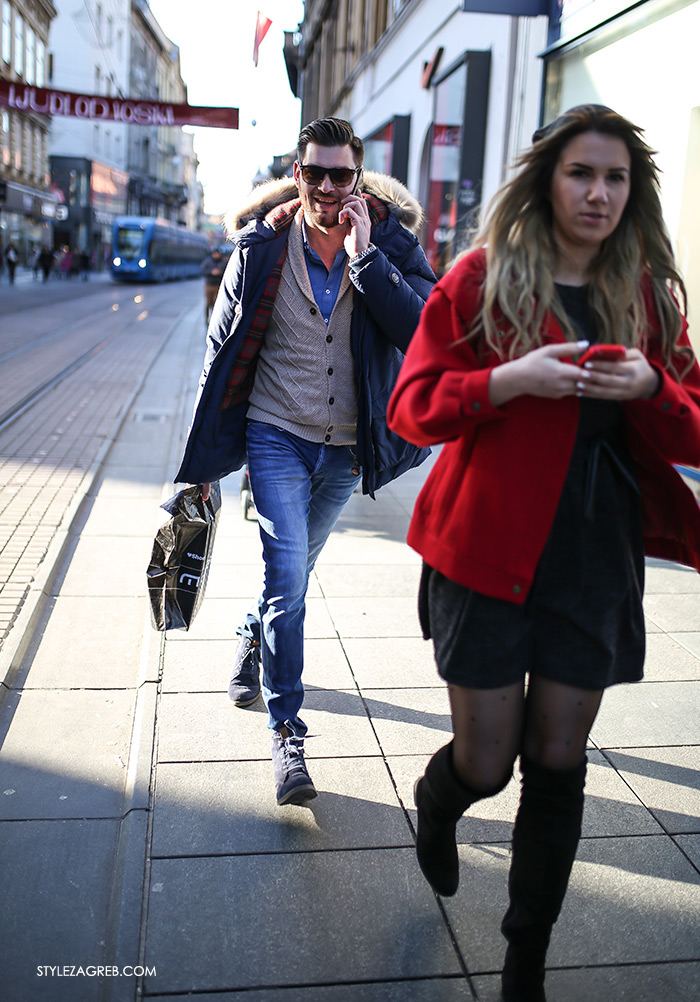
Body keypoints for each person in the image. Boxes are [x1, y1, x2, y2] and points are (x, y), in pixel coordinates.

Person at [386, 104, 700, 1002]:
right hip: (483, 550)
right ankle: (441, 801)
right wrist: (503, 381)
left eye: (616, 179)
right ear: (547, 181)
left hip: (593, 557)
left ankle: (528, 954)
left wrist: (651, 387)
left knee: (559, 759)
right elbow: (411, 407)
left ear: (631, 194)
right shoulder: (484, 277)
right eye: (581, 174)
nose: (598, 193)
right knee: (486, 761)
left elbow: (694, 423)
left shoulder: (644, 294)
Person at [175, 117, 435, 806]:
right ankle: (287, 731)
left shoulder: (391, 245)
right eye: (314, 173)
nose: (326, 186)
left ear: (357, 180)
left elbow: (423, 330)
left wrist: (366, 259)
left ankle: (248, 636)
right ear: (298, 175)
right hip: (276, 436)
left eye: (339, 175)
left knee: (294, 571)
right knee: (289, 575)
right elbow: (218, 353)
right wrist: (201, 462)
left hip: (348, 449)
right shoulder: (260, 251)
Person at [200, 245, 227, 325]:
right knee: (208, 303)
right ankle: (206, 319)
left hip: (219, 285)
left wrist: (220, 272)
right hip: (209, 285)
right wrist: (211, 272)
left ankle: (214, 320)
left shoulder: (223, 262)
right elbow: (202, 271)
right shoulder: (208, 261)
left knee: (216, 304)